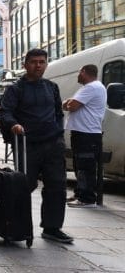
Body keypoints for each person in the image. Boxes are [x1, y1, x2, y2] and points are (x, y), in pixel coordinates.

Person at [0, 48, 73, 244]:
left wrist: (59, 133)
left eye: (42, 62)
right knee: (24, 185)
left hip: (53, 143)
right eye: (33, 62)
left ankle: (52, 227)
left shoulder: (52, 87)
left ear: (46, 64)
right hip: (27, 144)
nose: (38, 65)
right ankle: (15, 225)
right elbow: (5, 112)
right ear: (25, 65)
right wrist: (13, 125)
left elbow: (58, 113)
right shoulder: (15, 89)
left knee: (57, 186)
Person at [63, 64, 107, 208]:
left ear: (83, 72)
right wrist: (69, 103)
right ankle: (80, 193)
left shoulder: (92, 87)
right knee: (79, 164)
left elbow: (72, 106)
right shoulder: (90, 88)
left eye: (78, 72)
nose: (77, 75)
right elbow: (67, 104)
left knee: (85, 166)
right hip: (82, 132)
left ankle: (87, 199)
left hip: (86, 133)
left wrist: (69, 102)